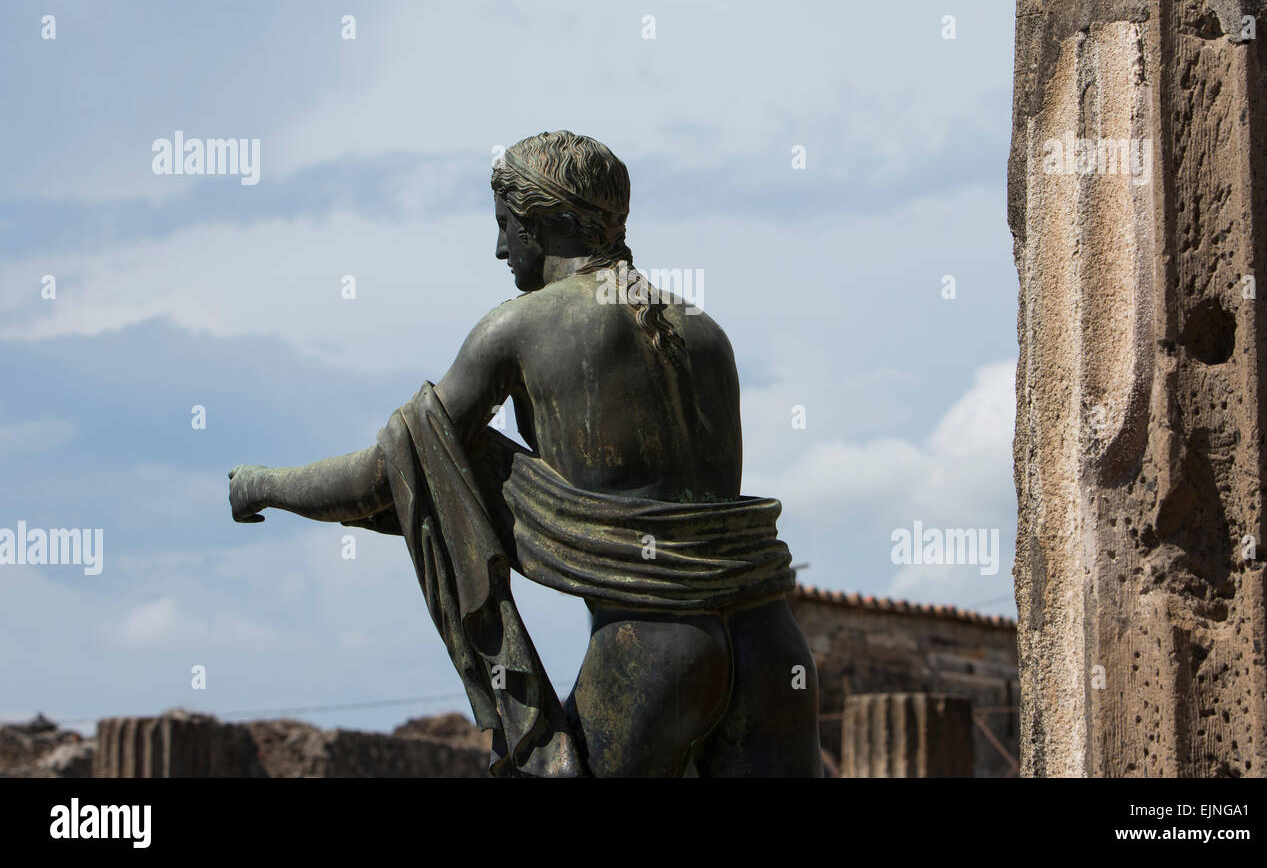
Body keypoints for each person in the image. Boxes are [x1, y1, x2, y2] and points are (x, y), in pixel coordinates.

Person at [228, 130, 822, 777]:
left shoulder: (519, 326)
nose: (499, 248)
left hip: (655, 651)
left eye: (506, 226)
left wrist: (265, 484)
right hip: (774, 645)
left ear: (540, 224)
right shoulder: (706, 331)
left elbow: (386, 474)